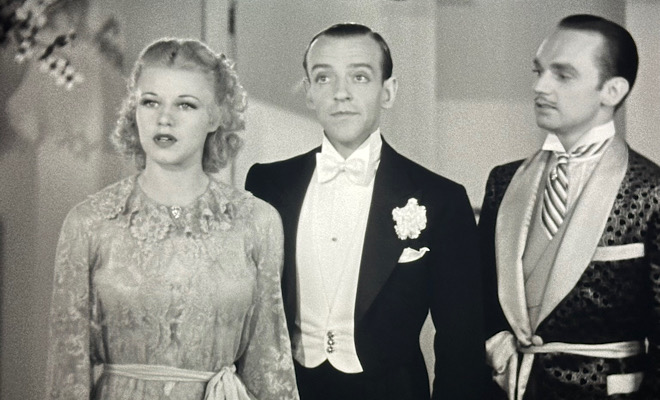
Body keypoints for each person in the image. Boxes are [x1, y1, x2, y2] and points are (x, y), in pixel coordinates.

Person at [45, 38, 299, 400]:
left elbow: (269, 365)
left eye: (186, 104)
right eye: (150, 102)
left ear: (215, 117)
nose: (164, 119)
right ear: (134, 110)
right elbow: (66, 370)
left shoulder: (256, 222)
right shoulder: (90, 223)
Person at [245, 23, 485, 400]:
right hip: (288, 390)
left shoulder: (442, 199)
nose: (341, 93)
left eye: (359, 77)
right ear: (308, 92)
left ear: (387, 92)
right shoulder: (267, 185)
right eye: (324, 78)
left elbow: (462, 345)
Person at [480, 14, 660, 400]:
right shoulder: (503, 182)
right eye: (539, 71)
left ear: (612, 90)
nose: (540, 86)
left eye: (562, 75)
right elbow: (480, 303)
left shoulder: (651, 191)